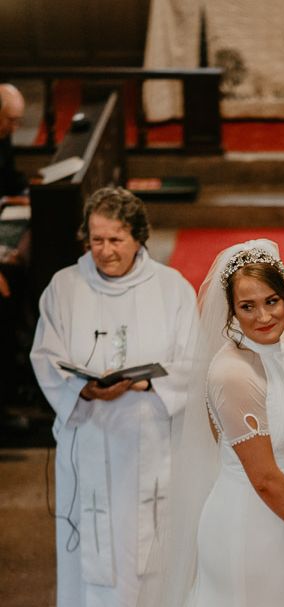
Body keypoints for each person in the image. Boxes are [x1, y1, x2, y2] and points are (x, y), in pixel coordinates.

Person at [139, 239, 284, 607]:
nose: (263, 317)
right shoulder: (233, 374)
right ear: (231, 310)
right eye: (248, 306)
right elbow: (263, 479)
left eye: (271, 301)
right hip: (250, 521)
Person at [30, 187, 199, 607]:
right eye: (96, 239)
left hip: (149, 439)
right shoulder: (64, 286)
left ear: (139, 236)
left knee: (151, 551)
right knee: (91, 552)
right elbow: (45, 355)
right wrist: (80, 387)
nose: (104, 251)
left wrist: (146, 383)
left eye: (115, 239)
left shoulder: (171, 288)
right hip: (88, 436)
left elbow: (194, 361)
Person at [0, 83, 28, 202]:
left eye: (17, 121)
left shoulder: (4, 134)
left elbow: (8, 176)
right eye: (11, 120)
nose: (14, 128)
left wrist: (34, 186)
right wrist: (6, 200)